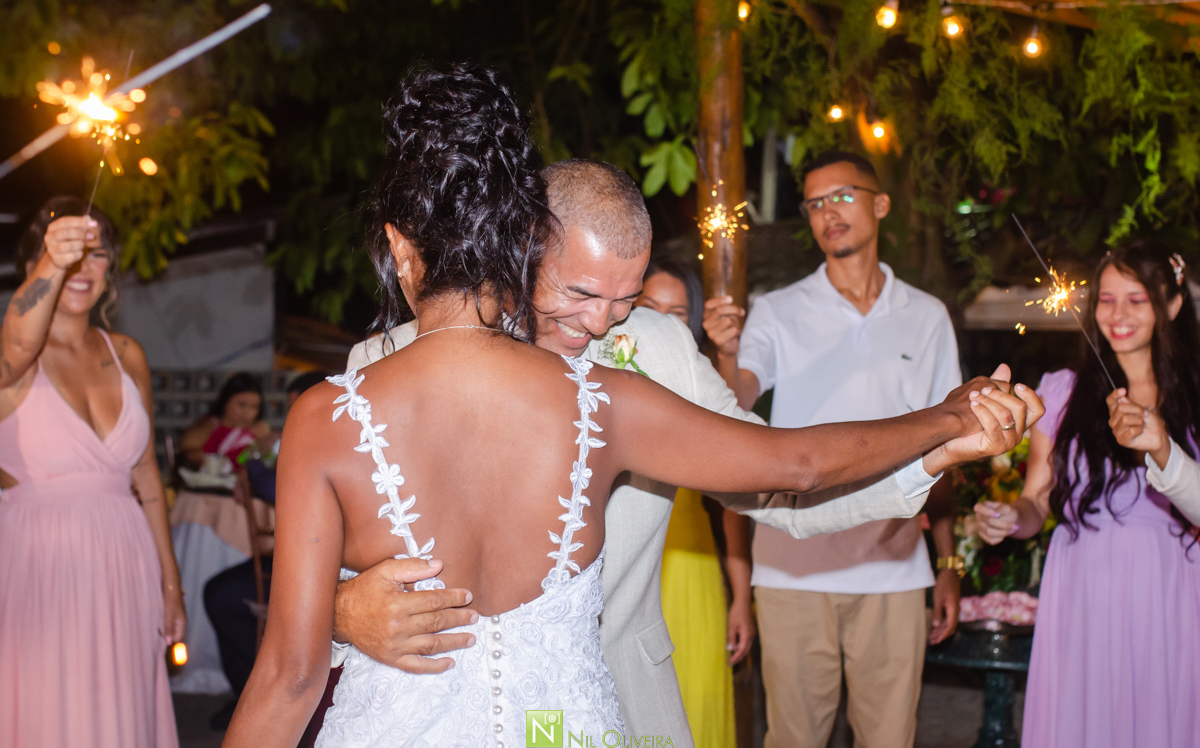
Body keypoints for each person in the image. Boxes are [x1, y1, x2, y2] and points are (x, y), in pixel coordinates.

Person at [224, 64, 1038, 748]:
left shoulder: (646, 359)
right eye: (583, 293)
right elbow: (310, 616)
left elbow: (786, 481)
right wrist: (341, 609)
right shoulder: (421, 379)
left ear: (406, 249)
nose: (608, 322)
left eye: (624, 301)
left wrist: (936, 442)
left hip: (602, 703)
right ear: (524, 245)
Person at [707, 151, 964, 748]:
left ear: (880, 204)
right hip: (792, 565)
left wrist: (947, 565)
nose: (829, 213)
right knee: (794, 738)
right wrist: (725, 349)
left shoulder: (926, 316)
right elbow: (737, 399)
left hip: (894, 564)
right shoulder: (776, 309)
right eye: (816, 204)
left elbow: (949, 443)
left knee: (889, 738)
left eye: (842, 196)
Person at [975, 241, 1200, 747]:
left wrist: (1161, 445)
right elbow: (1036, 501)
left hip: (1171, 585)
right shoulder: (1062, 392)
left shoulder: (1194, 398)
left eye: (1136, 300)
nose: (1117, 314)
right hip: (1082, 583)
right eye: (1106, 298)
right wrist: (1009, 517)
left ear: (1172, 305)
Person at [0, 197, 185, 747]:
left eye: (97, 253)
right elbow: (18, 338)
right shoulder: (11, 356)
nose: (84, 266)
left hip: (125, 563)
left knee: (122, 712)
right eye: (68, 253)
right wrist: (53, 265)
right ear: (38, 261)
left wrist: (169, 583)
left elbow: (147, 473)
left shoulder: (126, 353)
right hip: (40, 563)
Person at [637, 256, 753, 748]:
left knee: (697, 701)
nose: (662, 322)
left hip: (692, 563)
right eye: (649, 306)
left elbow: (737, 486)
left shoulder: (695, 389)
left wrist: (742, 597)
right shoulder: (597, 378)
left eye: (678, 312)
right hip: (619, 573)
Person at [204, 371, 330, 730]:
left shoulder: (331, 442)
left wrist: (253, 464)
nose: (294, 419)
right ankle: (249, 691)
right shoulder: (303, 441)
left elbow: (270, 485)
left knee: (223, 597)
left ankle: (267, 689)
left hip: (322, 568)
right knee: (217, 591)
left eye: (297, 409)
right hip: (297, 558)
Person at [180, 372, 271, 473]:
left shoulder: (261, 431)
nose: (248, 413)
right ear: (226, 401)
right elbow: (185, 458)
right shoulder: (207, 427)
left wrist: (263, 442)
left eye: (254, 407)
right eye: (241, 405)